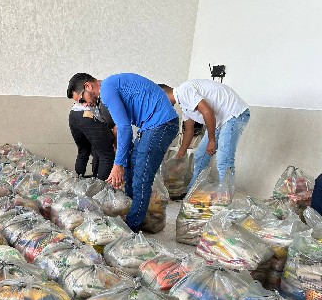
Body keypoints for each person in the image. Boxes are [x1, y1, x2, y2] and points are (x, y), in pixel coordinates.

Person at [67, 73, 178, 232]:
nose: (85, 104)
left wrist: (118, 164)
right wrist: (122, 163)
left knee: (141, 177)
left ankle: (131, 229)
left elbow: (125, 128)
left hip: (161, 124)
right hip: (150, 126)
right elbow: (119, 128)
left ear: (88, 86)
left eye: (82, 99)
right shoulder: (109, 88)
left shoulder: (106, 90)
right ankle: (133, 213)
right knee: (131, 170)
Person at [159, 80, 250, 189]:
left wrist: (211, 140)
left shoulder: (183, 91)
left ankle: (225, 194)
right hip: (219, 120)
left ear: (163, 95)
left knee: (224, 158)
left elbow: (208, 112)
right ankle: (193, 190)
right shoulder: (183, 104)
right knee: (201, 154)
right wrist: (180, 153)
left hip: (233, 114)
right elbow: (189, 130)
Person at [69, 101, 116, 180]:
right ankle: (100, 186)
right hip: (89, 114)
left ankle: (77, 182)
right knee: (106, 155)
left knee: (83, 151)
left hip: (74, 113)